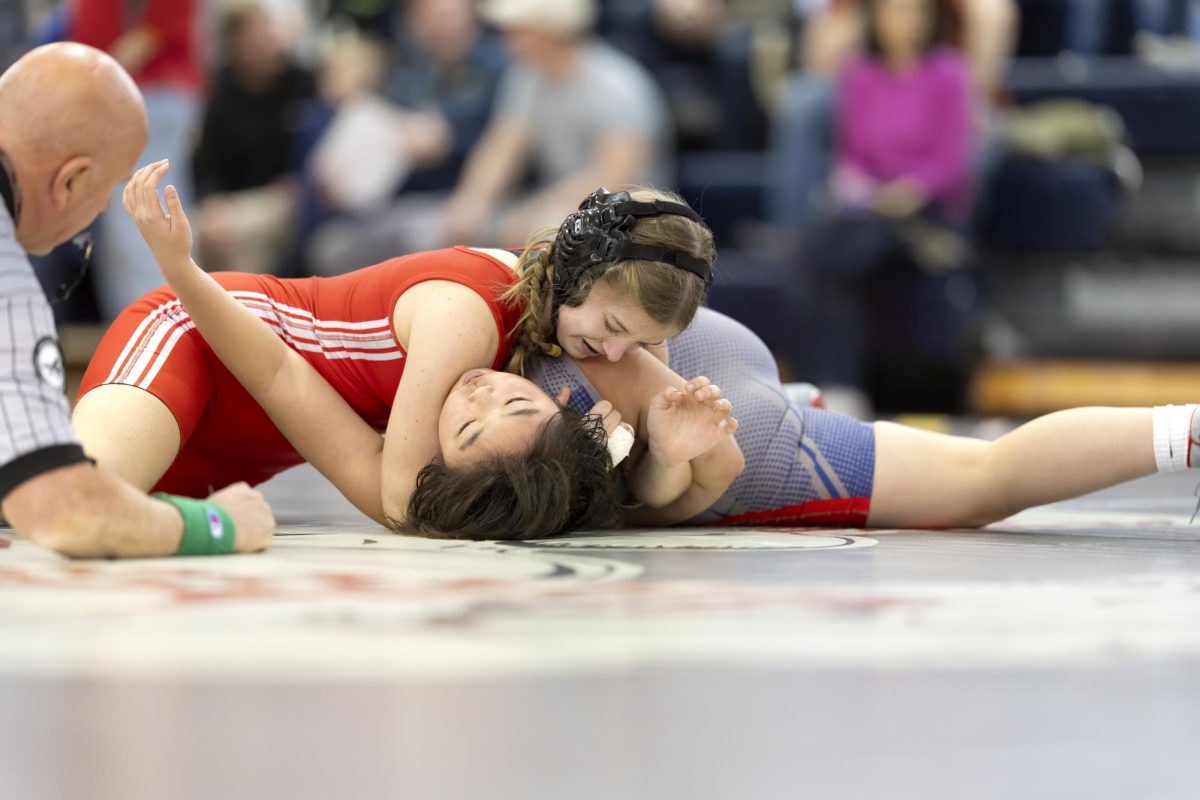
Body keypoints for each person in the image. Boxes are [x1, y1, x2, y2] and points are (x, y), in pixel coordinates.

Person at [75, 168, 726, 536]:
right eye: (613, 327)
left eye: (640, 342)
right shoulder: (467, 317)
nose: (616, 354)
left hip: (243, 435)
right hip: (199, 337)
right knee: (83, 507)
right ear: (579, 274)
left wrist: (619, 462)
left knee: (39, 499)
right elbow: (402, 500)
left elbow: (689, 484)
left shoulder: (569, 330)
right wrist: (182, 270)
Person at [426, 303, 1186, 537]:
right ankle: (1183, 429)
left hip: (719, 423)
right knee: (979, 480)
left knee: (983, 480)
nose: (475, 393)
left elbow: (663, 493)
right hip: (716, 400)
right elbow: (664, 488)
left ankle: (1188, 430)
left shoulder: (530, 455)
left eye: (497, 403)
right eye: (478, 419)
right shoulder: (539, 391)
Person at [0, 43, 273, 558]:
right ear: (71, 180)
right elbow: (65, 512)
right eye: (106, 187)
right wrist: (216, 523)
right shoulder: (8, 286)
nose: (104, 206)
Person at [305, 0, 671, 275]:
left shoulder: (620, 86)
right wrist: (471, 201)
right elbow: (502, 147)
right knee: (442, 226)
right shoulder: (528, 77)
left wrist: (531, 211)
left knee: (540, 233)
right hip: (549, 206)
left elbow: (614, 180)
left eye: (517, 30)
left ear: (550, 32)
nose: (506, 40)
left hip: (622, 222)